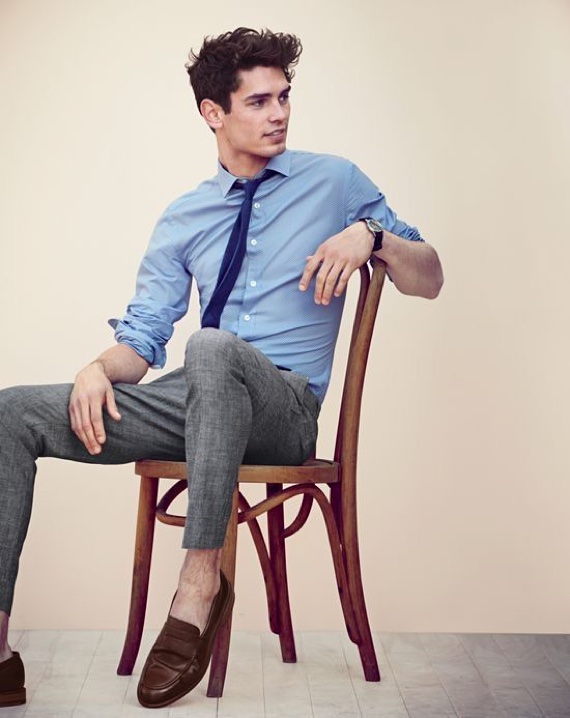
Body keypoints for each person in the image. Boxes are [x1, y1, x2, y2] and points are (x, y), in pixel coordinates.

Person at [0, 27, 443, 709]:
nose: (279, 114)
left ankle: (199, 585)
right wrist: (96, 368)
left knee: (210, 347)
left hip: (282, 411)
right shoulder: (185, 217)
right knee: (10, 413)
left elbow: (429, 279)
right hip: (195, 399)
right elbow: (143, 342)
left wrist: (373, 236)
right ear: (213, 112)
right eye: (259, 102)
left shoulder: (334, 182)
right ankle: (0, 654)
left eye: (284, 97)